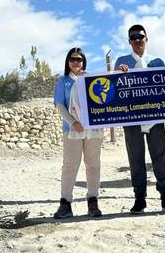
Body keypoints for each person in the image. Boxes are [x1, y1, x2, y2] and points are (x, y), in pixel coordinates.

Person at [115, 24, 165, 213]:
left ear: (146, 39)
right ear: (129, 42)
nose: (137, 40)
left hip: (155, 119)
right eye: (133, 38)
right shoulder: (121, 62)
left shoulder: (157, 61)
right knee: (136, 159)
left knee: (159, 157)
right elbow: (115, 89)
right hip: (132, 119)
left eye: (140, 37)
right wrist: (119, 75)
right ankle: (139, 199)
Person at [53, 47, 103, 219]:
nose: (76, 62)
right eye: (73, 59)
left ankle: (93, 200)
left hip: (93, 130)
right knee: (70, 165)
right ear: (68, 62)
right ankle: (65, 203)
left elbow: (107, 92)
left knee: (93, 165)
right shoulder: (63, 82)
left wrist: (122, 72)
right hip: (72, 131)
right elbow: (59, 104)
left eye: (79, 59)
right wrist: (73, 122)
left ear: (84, 62)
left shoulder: (91, 79)